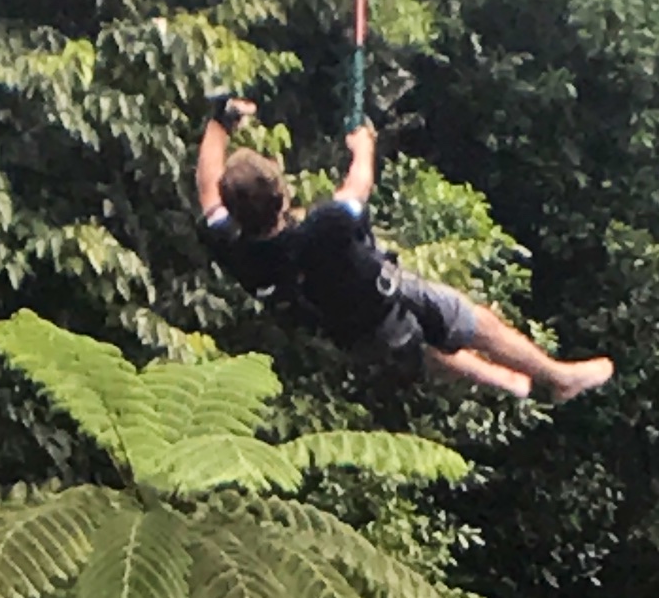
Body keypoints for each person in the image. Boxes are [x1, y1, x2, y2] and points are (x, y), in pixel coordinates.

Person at [194, 104, 613, 404]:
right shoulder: (324, 228)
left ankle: (500, 380)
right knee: (477, 324)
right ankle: (560, 376)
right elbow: (357, 185)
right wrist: (363, 146)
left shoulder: (232, 244)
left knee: (426, 352)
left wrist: (220, 120)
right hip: (388, 297)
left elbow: (206, 185)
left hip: (351, 334)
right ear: (282, 194)